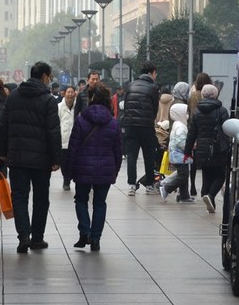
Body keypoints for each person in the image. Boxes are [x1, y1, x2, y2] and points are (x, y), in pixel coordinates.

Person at [0, 62, 61, 254]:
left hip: (17, 157)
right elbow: (53, 131)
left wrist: (2, 151)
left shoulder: (13, 96)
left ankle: (23, 236)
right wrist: (56, 158)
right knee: (41, 199)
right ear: (44, 77)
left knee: (20, 197)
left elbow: (3, 126)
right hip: (41, 160)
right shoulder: (48, 100)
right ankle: (37, 238)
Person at [65, 85, 122, 251]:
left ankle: (85, 231)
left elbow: (73, 147)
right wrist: (115, 170)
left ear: (90, 99)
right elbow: (118, 151)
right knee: (99, 203)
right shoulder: (113, 123)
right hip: (105, 169)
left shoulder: (82, 119)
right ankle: (95, 238)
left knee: (81, 200)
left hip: (83, 168)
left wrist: (69, 170)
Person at [120, 62, 161, 196]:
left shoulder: (130, 85)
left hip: (130, 125)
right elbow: (155, 108)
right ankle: (149, 185)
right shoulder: (153, 88)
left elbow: (126, 105)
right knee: (149, 155)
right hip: (146, 126)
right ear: (152, 73)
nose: (156, 76)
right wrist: (150, 119)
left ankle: (132, 185)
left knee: (131, 155)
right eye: (155, 74)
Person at [191, 84, 230, 212]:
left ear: (202, 95)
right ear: (216, 95)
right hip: (218, 149)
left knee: (207, 173)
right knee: (220, 175)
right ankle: (211, 195)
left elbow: (191, 133)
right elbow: (227, 130)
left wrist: (187, 151)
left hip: (202, 149)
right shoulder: (222, 111)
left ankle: (209, 200)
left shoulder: (197, 112)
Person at [159, 103, 193, 203]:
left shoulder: (176, 124)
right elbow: (180, 141)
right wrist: (189, 147)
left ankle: (184, 196)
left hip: (177, 155)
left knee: (183, 175)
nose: (187, 114)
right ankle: (166, 188)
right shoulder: (181, 126)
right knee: (183, 176)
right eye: (185, 112)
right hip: (180, 155)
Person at [58, 86, 78, 191]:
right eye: (68, 92)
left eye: (72, 92)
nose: (70, 94)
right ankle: (66, 179)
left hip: (75, 140)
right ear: (64, 94)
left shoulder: (78, 107)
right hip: (63, 140)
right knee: (64, 163)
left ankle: (69, 180)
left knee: (74, 162)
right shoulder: (59, 107)